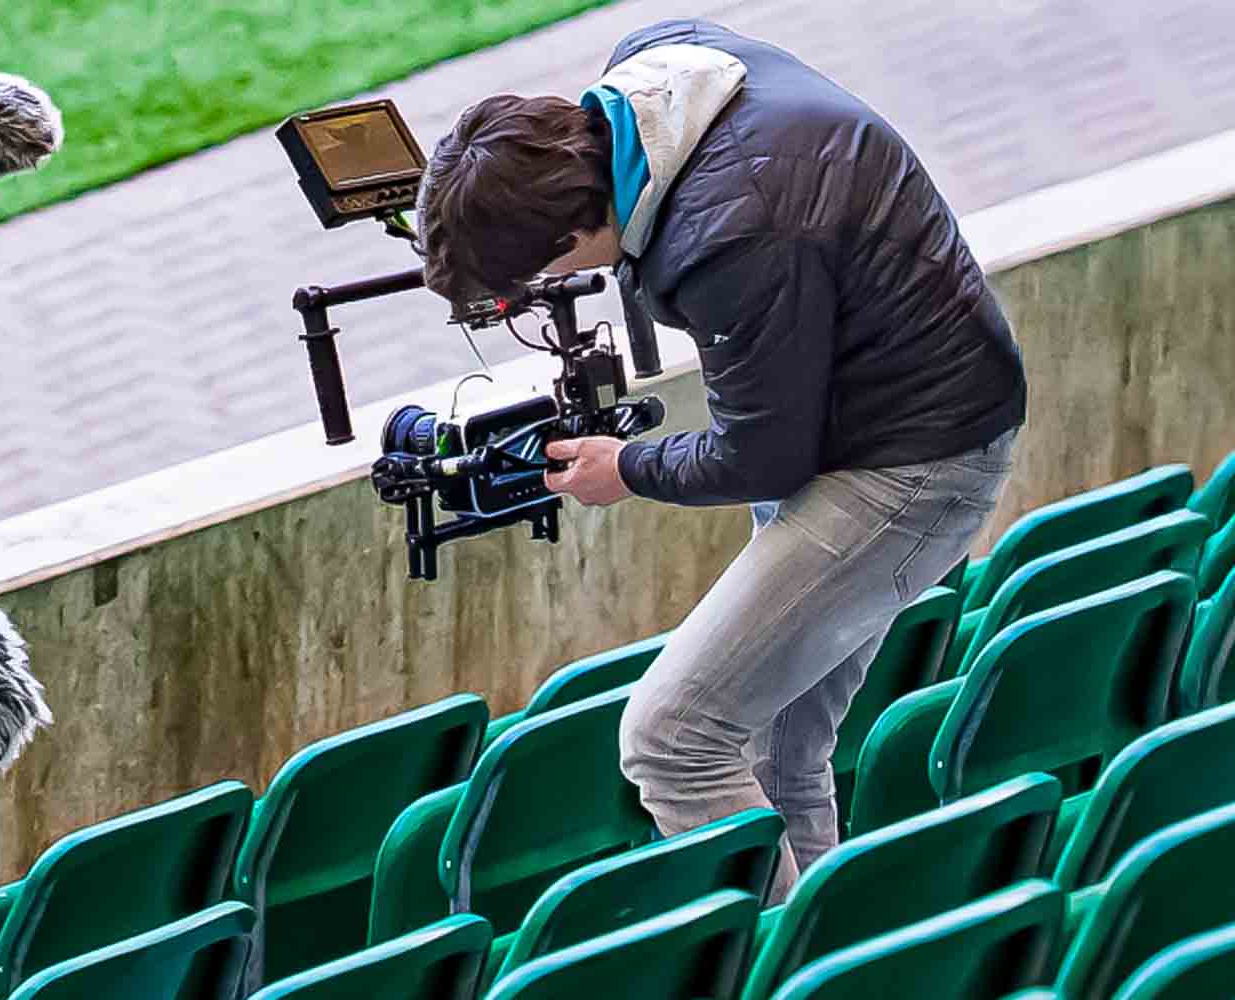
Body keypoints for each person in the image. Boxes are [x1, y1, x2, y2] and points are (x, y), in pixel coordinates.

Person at [411, 18, 1028, 895]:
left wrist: (623, 470)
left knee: (670, 738)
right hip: (884, 408)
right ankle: (822, 957)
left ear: (565, 238)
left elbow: (762, 456)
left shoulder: (731, 235)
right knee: (775, 740)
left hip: (915, 461)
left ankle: (777, 967)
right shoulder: (663, 65)